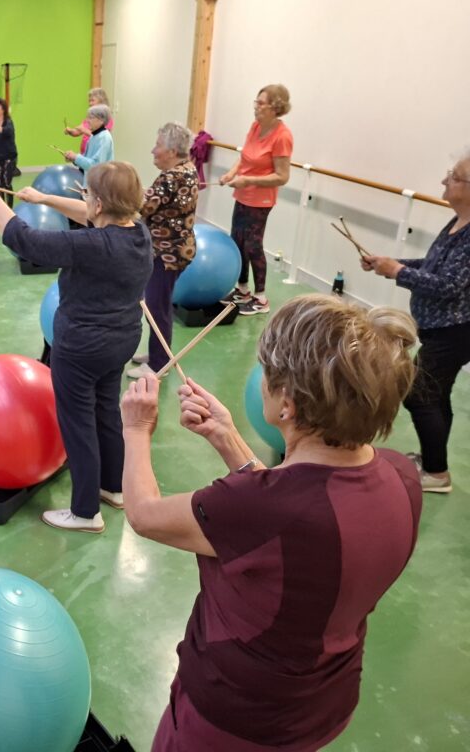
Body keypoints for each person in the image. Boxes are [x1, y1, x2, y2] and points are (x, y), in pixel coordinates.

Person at [119, 293, 422, 750]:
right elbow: (292, 517)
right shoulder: (401, 476)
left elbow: (144, 515)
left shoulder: (260, 509)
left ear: (287, 406)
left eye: (266, 373)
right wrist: (227, 438)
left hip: (231, 719)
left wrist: (136, 428)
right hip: (317, 704)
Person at [0, 162, 152, 533]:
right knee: (106, 411)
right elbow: (93, 215)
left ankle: (85, 512)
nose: (85, 200)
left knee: (78, 424)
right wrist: (44, 199)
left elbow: (23, 239)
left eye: (87, 194)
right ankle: (113, 487)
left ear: (98, 203)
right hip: (121, 341)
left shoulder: (89, 246)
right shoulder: (139, 233)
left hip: (82, 347)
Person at [360, 153, 470, 494]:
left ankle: (436, 473)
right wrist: (391, 264)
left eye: (454, 176)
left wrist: (398, 272)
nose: (444, 181)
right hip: (441, 329)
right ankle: (433, 461)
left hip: (455, 331)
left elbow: (449, 286)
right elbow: (434, 265)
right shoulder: (458, 222)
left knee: (418, 394)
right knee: (436, 394)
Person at [127, 123, 199, 379]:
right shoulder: (187, 169)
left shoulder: (171, 177)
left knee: (157, 307)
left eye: (157, 145)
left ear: (172, 151)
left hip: (167, 253)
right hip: (178, 249)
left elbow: (142, 208)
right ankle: (158, 353)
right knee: (158, 304)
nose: (153, 150)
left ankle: (159, 364)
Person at [218, 84, 294, 315]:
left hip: (260, 200)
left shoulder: (282, 136)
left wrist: (248, 180)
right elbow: (244, 158)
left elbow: (282, 176)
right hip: (243, 194)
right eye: (256, 102)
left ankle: (261, 298)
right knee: (237, 241)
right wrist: (231, 174)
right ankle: (242, 289)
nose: (256, 107)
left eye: (261, 103)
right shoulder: (255, 126)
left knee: (253, 246)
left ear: (275, 107)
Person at [64, 87, 115, 155]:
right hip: (86, 154)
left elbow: (102, 137)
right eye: (89, 101)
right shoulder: (88, 119)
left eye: (92, 100)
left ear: (101, 101)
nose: (90, 103)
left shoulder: (107, 119)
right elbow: (77, 132)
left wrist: (84, 130)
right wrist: (70, 131)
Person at [63, 105, 113, 172]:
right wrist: (73, 159)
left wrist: (76, 157)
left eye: (91, 118)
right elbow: (86, 160)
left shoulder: (104, 138)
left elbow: (95, 165)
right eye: (88, 117)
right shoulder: (93, 136)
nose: (87, 121)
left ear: (101, 120)